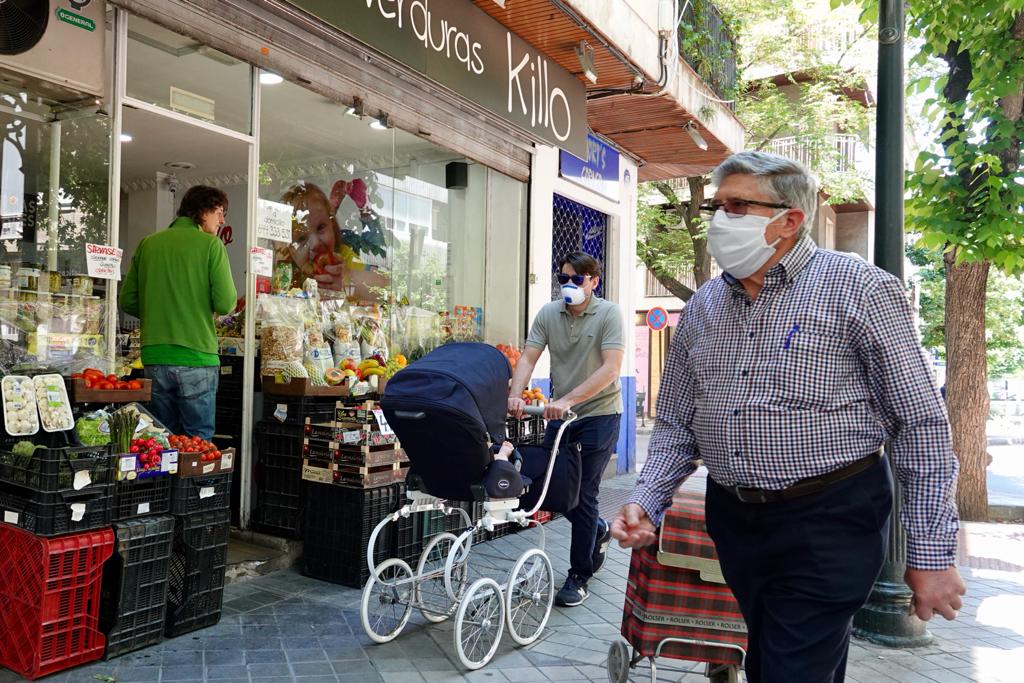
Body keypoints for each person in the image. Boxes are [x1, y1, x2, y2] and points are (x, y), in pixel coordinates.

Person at [612, 151, 965, 683]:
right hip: (734, 520)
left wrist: (930, 554)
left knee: (788, 667)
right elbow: (678, 424)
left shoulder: (859, 289)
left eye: (736, 206)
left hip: (830, 518)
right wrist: (647, 501)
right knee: (787, 655)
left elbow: (920, 424)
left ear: (789, 220)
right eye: (717, 206)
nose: (718, 220)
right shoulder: (705, 306)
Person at [508, 251, 624, 607]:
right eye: (564, 279)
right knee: (553, 488)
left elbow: (610, 370)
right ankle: (598, 530)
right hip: (560, 415)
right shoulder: (548, 313)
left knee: (585, 494)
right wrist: (513, 395)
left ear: (593, 282)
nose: (569, 286)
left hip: (599, 415)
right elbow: (528, 356)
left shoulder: (609, 314)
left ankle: (579, 575)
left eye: (577, 280)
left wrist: (569, 400)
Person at [120, 185, 237, 440]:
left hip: (156, 358)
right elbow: (226, 303)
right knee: (198, 440)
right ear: (203, 212)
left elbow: (127, 300)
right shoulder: (211, 246)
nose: (222, 220)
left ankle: (166, 482)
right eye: (220, 212)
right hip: (197, 356)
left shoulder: (148, 244)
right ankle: (195, 481)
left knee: (162, 439)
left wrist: (158, 310)